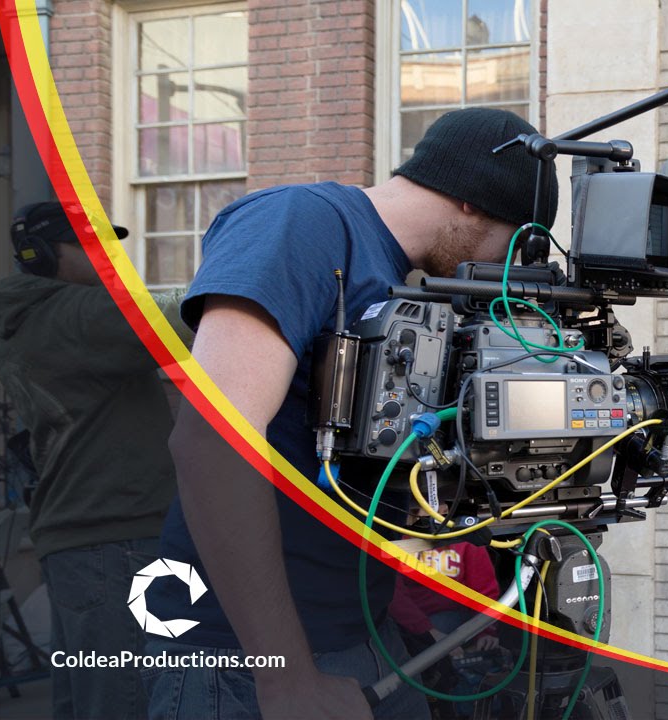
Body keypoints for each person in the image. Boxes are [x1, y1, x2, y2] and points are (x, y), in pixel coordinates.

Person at [142, 108, 557, 720]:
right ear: (472, 201)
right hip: (246, 663)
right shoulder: (303, 223)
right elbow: (212, 445)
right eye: (518, 242)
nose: (506, 270)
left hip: (358, 629)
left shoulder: (405, 282)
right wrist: (284, 677)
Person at [0, 201, 192, 719]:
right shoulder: (70, 316)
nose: (108, 254)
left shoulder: (34, 318)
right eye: (89, 244)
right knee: (125, 703)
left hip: (87, 541)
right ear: (40, 254)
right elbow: (178, 313)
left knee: (87, 702)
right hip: (115, 541)